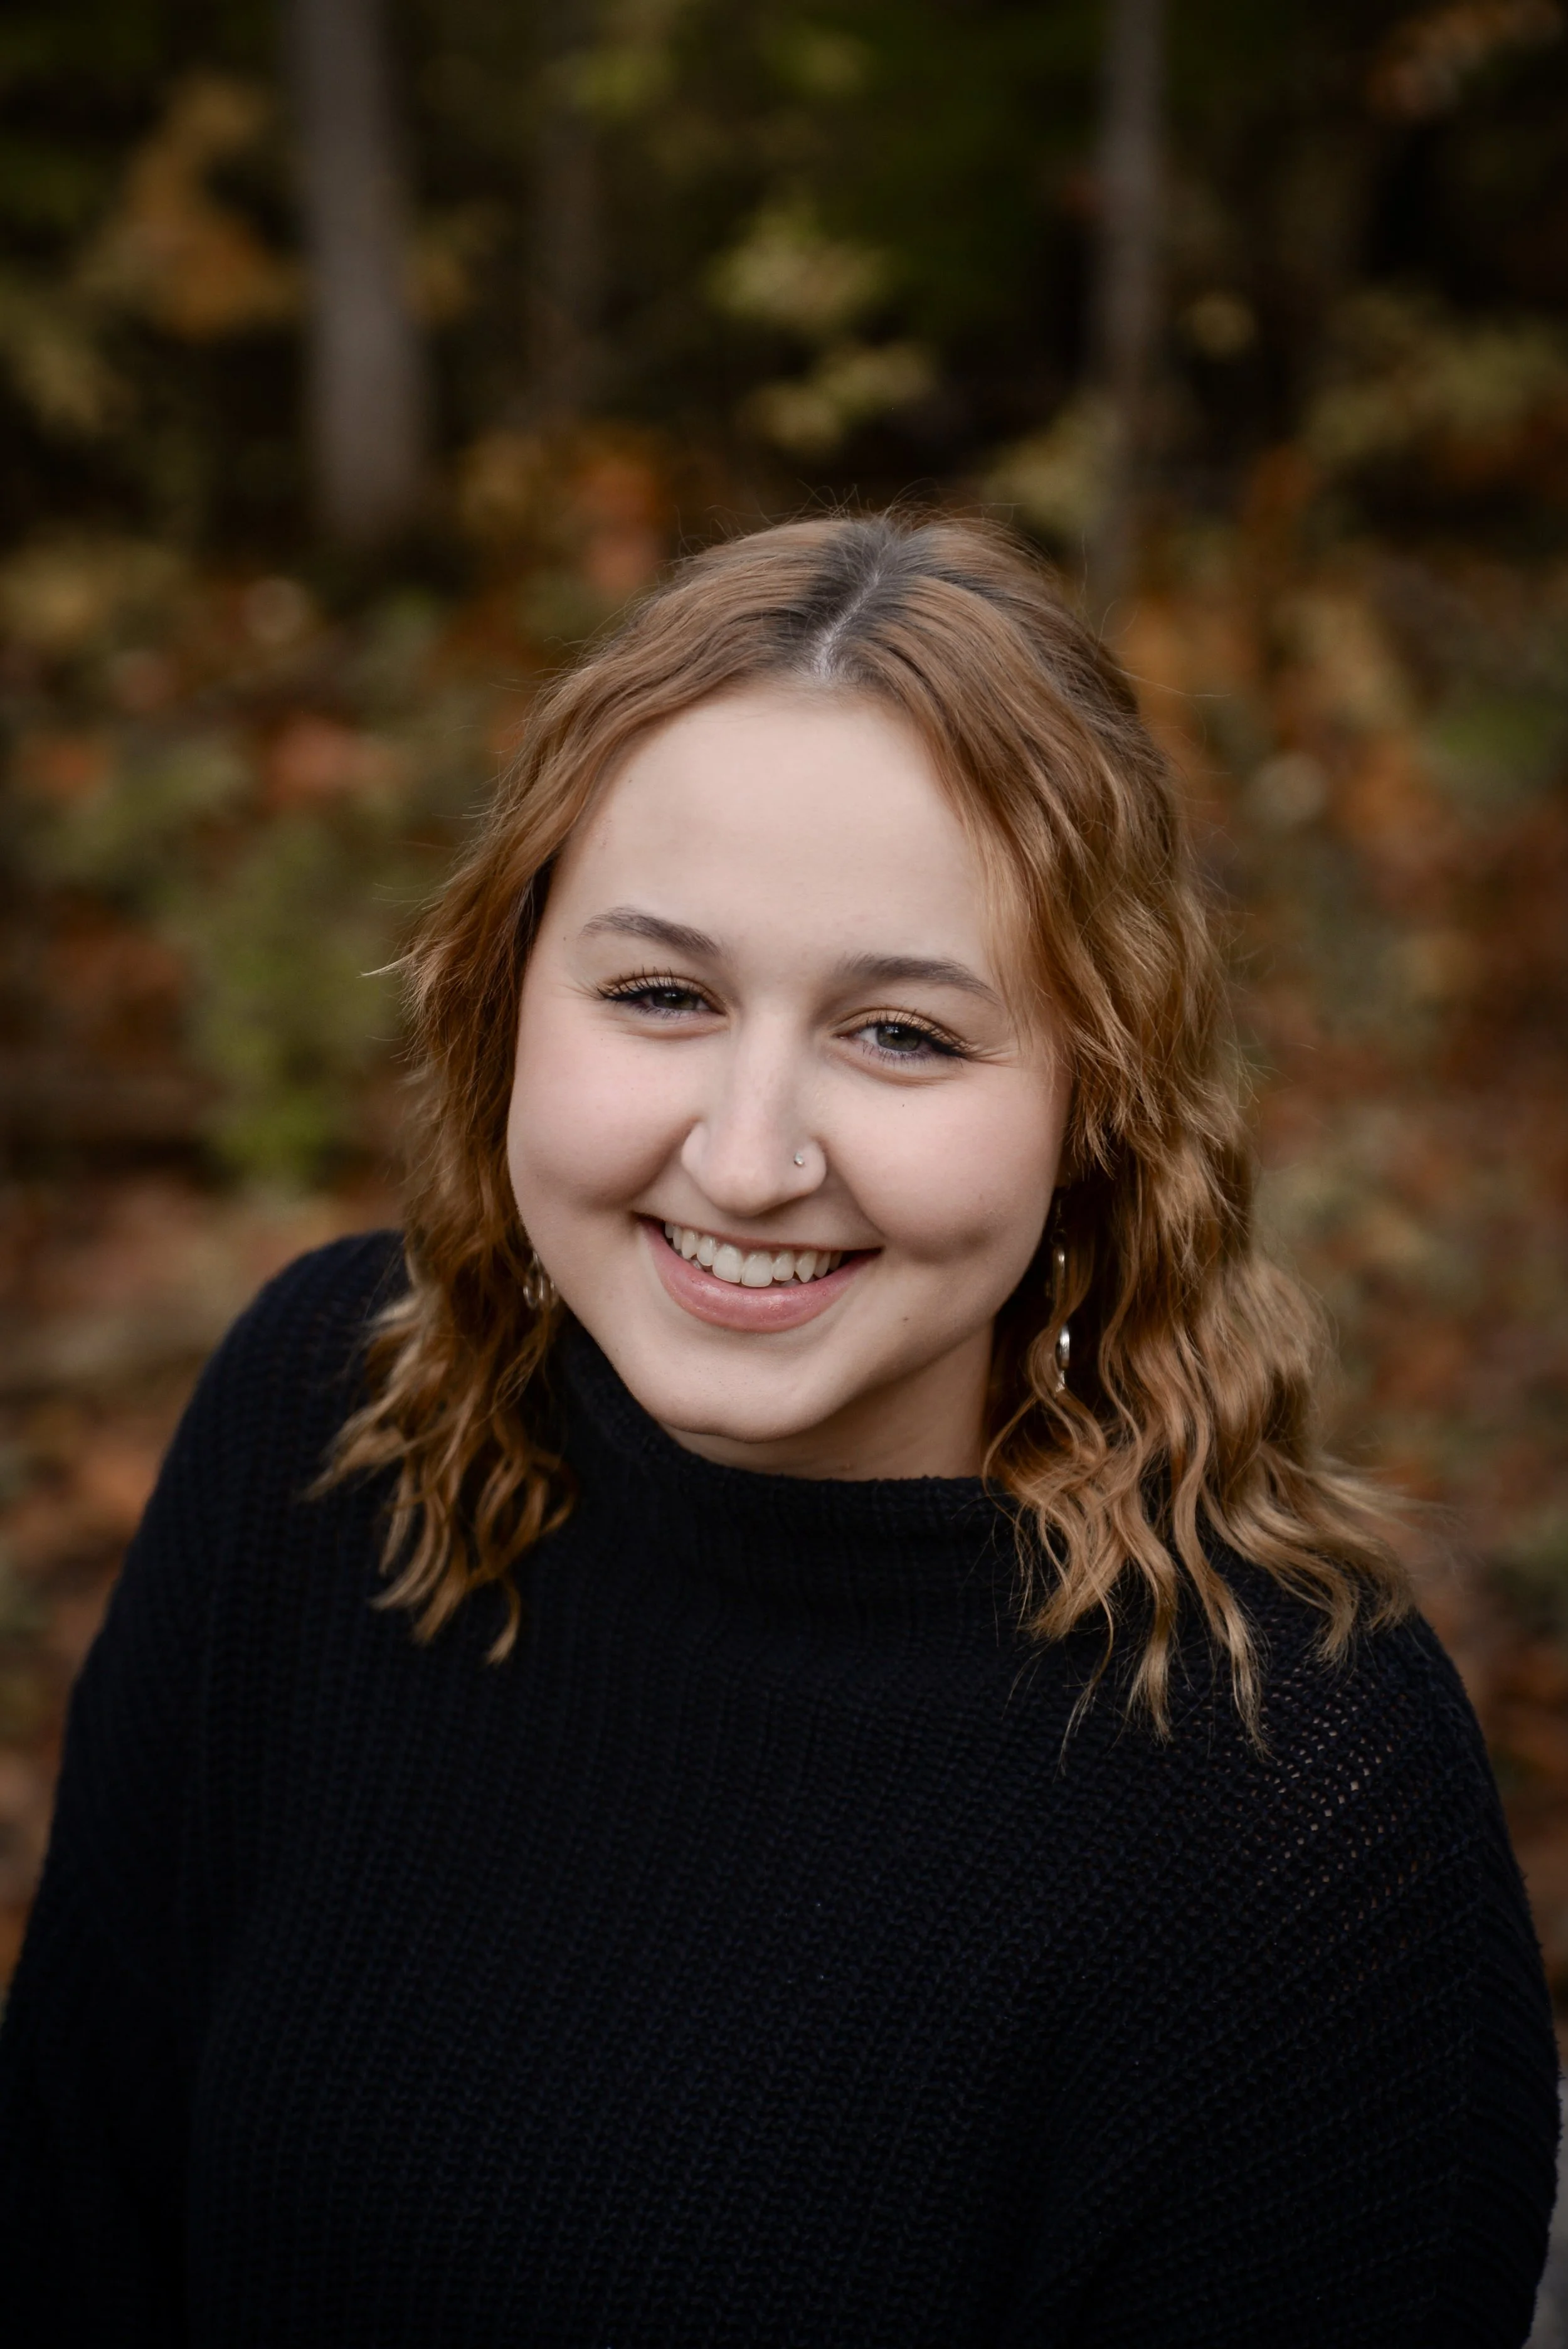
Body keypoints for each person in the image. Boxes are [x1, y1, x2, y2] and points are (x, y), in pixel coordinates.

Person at [0, 514, 1557, 2346]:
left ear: (1098, 1102)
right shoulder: (321, 1423)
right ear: (506, 1000)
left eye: (902, 1034)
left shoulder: (1286, 1798)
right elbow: (69, 2221)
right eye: (661, 995)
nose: (748, 1161)